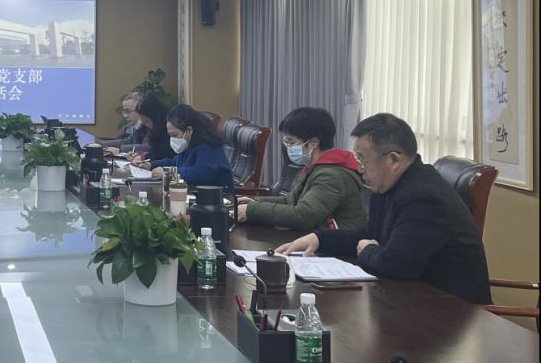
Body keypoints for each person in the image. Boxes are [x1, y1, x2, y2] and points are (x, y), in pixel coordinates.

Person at [276, 113, 491, 304]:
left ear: (393, 160)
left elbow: (396, 264)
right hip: (410, 299)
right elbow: (370, 234)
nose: (359, 168)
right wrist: (319, 239)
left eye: (363, 160)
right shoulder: (390, 185)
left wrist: (367, 249)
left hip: (453, 313)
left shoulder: (424, 196)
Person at [237, 107, 366, 231]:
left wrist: (252, 210)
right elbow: (291, 201)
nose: (288, 147)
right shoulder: (314, 168)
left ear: (313, 143)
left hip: (339, 243)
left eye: (291, 142)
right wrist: (254, 202)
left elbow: (304, 215)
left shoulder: (331, 176)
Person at [136, 104, 233, 194]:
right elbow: (174, 162)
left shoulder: (208, 145)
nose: (172, 139)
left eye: (174, 135)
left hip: (217, 198)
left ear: (189, 130)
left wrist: (168, 173)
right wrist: (151, 165)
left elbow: (201, 173)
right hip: (194, 192)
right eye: (170, 135)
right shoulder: (189, 143)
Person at [129, 94, 174, 162]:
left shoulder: (167, 129)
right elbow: (154, 151)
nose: (143, 123)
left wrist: (144, 157)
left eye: (146, 121)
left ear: (155, 116)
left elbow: (163, 155)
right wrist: (141, 154)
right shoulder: (154, 129)